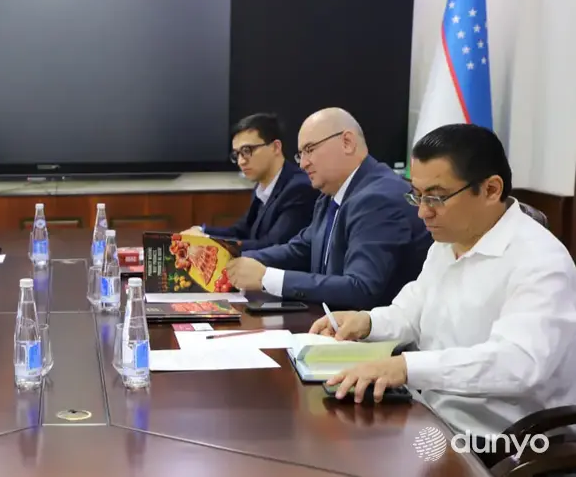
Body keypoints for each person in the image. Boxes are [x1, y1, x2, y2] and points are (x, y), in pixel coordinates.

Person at [310, 124, 576, 438]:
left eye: (436, 198)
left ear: (491, 189)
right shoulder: (447, 243)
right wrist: (367, 322)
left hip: (499, 440)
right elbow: (412, 311)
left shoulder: (541, 261)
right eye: (417, 195)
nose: (423, 213)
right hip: (429, 413)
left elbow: (517, 363)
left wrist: (406, 367)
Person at [226, 107, 431, 309]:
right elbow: (302, 248)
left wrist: (266, 278)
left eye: (310, 150)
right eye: (300, 154)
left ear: (347, 142)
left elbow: (360, 288)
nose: (303, 164)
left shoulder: (378, 198)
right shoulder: (330, 195)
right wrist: (238, 261)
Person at [181, 113, 316, 250]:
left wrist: (206, 241)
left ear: (276, 147)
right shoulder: (261, 185)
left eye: (247, 150)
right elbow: (240, 231)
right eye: (237, 154)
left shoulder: (298, 188)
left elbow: (272, 246)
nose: (241, 161)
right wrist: (201, 231)